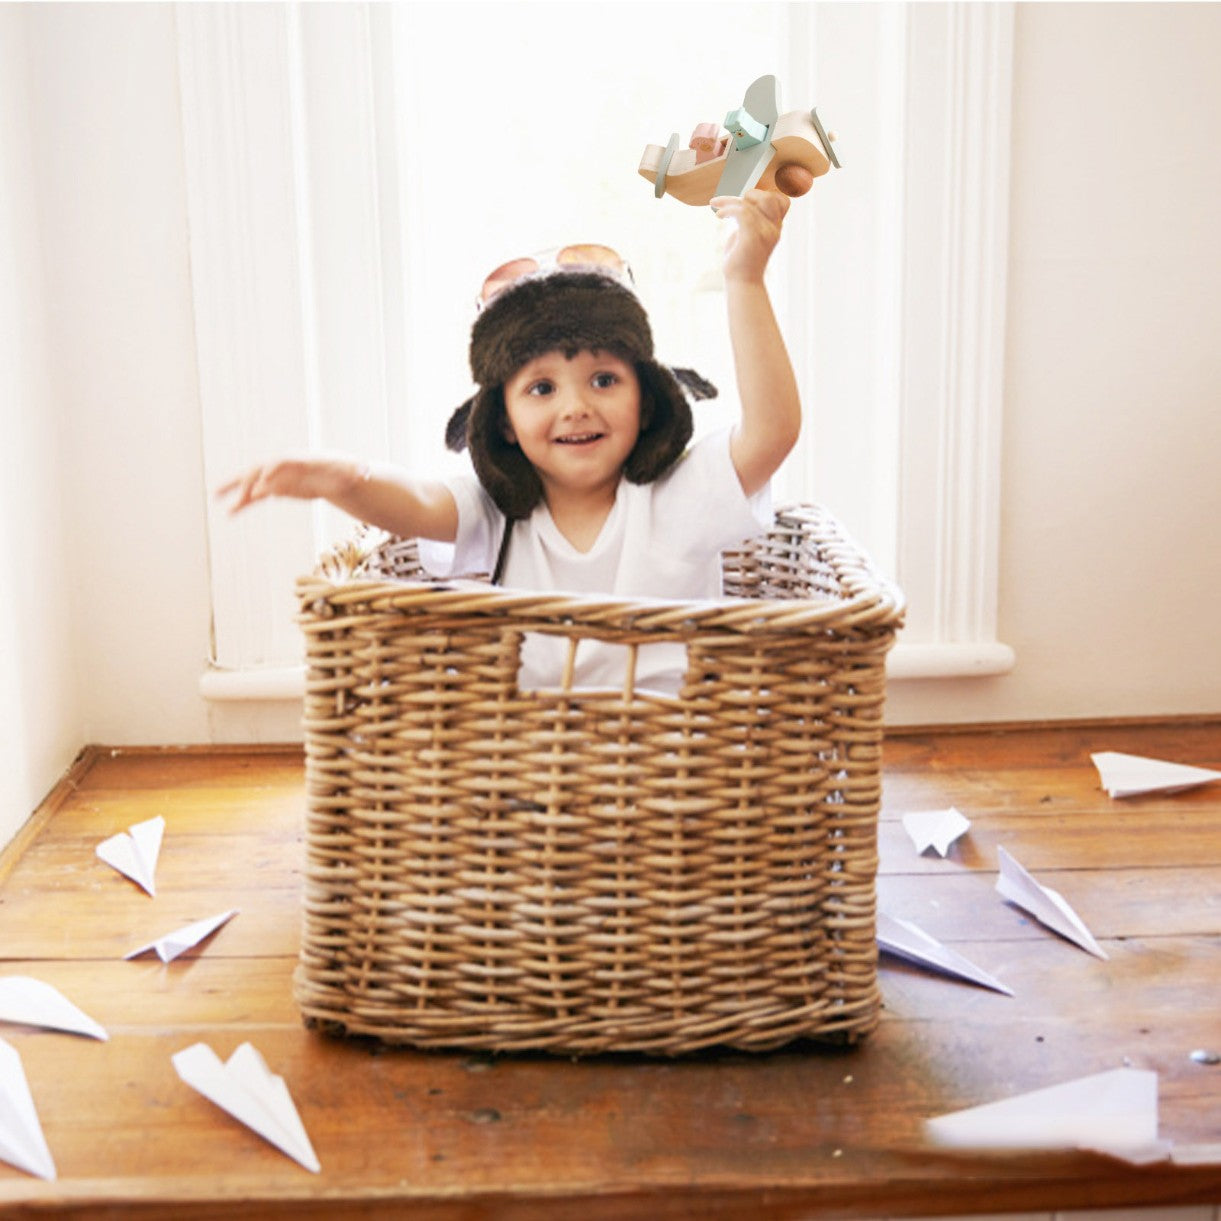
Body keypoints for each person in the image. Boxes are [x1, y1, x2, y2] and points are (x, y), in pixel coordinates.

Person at [218, 189, 802, 693]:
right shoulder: (500, 507)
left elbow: (772, 432)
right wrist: (341, 479)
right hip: (533, 772)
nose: (575, 406)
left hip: (676, 771)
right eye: (542, 387)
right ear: (501, 422)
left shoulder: (679, 495)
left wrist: (744, 277)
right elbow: (417, 504)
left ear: (647, 399)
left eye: (603, 379)